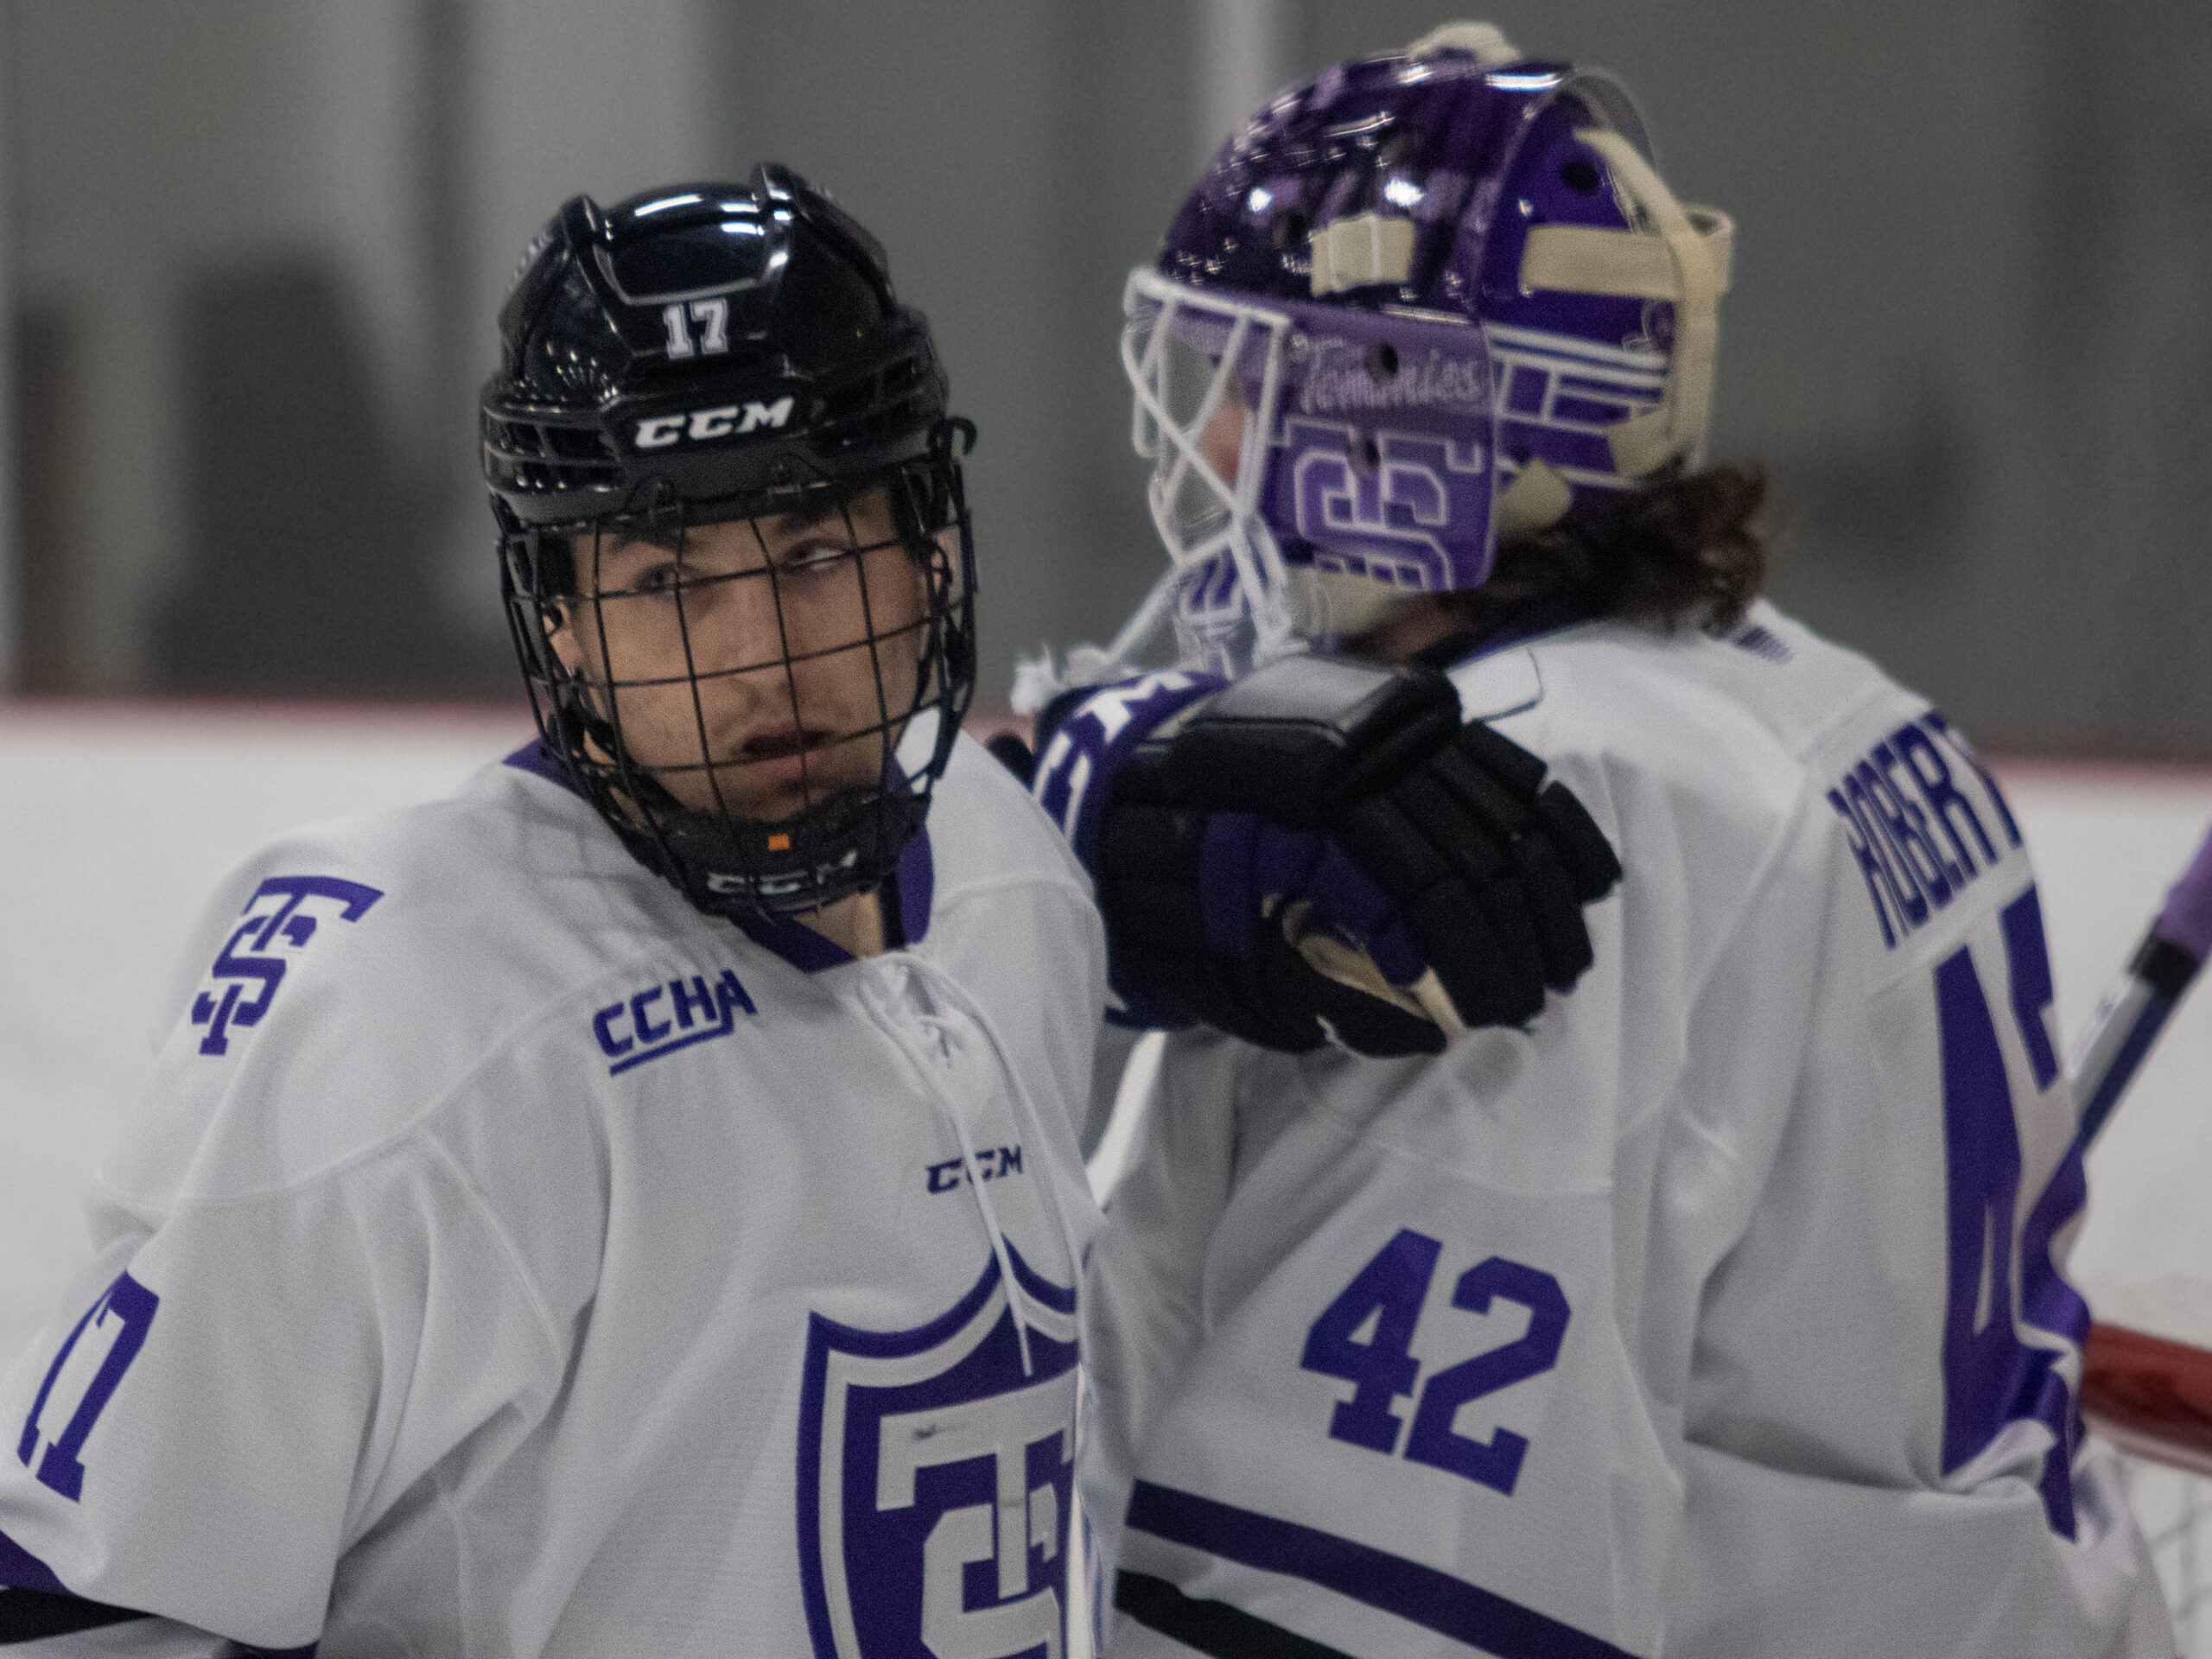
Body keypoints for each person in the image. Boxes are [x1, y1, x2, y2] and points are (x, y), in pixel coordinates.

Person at [1033, 24, 2177, 1657]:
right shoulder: (1843, 708)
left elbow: (1370, 1590)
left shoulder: (1486, 821)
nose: (1211, 447)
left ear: (1406, 423)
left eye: (1257, 380)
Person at [0, 167, 1108, 1657]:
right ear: (563, 620)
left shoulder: (1015, 876)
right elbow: (84, 1613)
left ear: (930, 551)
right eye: (665, 579)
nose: (756, 656)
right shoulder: (413, 1019)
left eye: (814, 553)